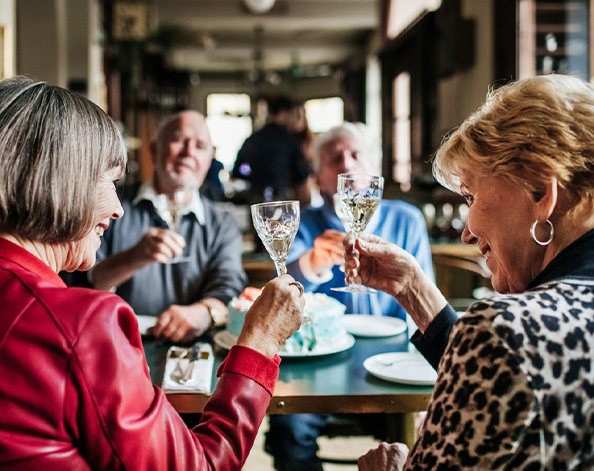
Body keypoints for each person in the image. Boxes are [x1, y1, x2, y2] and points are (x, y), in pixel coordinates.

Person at [0, 75, 306, 470]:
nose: (118, 208)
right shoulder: (83, 327)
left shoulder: (219, 225)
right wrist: (261, 339)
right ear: (59, 183)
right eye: (109, 181)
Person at [351, 74, 594, 470]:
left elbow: (505, 358)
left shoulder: (506, 331)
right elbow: (510, 383)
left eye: (471, 196)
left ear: (541, 193)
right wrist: (412, 287)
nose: (466, 231)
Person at [265, 122, 434, 471]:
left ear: (374, 167)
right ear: (319, 176)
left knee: (421, 433)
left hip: (392, 366)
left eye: (356, 154)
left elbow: (424, 299)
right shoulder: (301, 221)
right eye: (334, 158)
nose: (346, 163)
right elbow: (281, 287)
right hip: (317, 370)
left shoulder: (407, 219)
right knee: (287, 430)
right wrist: (314, 259)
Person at [71, 110, 246, 344]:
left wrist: (204, 313)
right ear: (153, 150)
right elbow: (82, 281)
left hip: (194, 351)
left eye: (200, 146)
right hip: (113, 342)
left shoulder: (223, 225)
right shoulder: (110, 207)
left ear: (209, 160)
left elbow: (230, 286)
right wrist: (134, 257)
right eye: (178, 140)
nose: (188, 152)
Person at [232, 95, 311, 206]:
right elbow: (300, 176)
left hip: (256, 198)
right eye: (291, 115)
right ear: (282, 113)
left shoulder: (253, 139)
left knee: (257, 224)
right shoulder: (289, 141)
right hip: (281, 198)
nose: (293, 120)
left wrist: (254, 176)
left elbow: (237, 171)